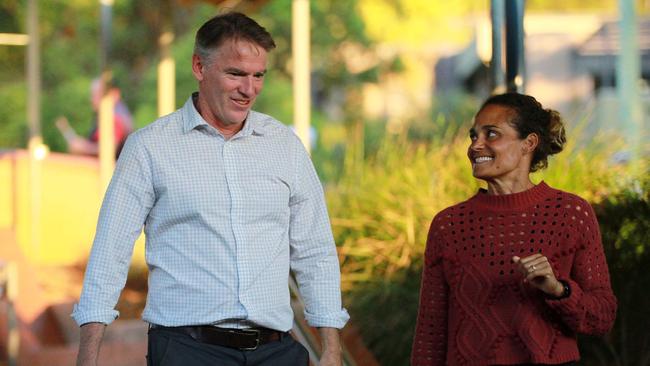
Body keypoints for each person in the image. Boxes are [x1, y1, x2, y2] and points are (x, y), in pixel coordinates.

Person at [72, 12, 349, 366]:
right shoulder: (149, 147)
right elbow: (110, 251)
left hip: (277, 352)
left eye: (258, 75)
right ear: (199, 67)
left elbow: (315, 250)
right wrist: (87, 356)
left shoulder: (284, 145)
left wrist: (331, 348)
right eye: (235, 74)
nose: (249, 90)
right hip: (187, 351)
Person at [411, 93, 617, 365]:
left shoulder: (570, 213)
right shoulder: (448, 225)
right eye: (474, 136)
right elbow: (430, 333)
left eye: (491, 134)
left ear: (528, 143)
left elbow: (602, 317)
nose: (475, 146)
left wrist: (558, 290)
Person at [56, 78, 133, 158]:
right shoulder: (116, 113)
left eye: (97, 95)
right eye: (92, 95)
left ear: (114, 94)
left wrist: (83, 148)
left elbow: (108, 150)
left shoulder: (114, 117)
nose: (92, 99)